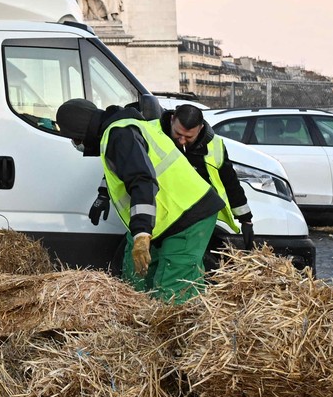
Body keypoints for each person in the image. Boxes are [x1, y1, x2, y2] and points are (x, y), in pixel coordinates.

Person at [57, 95, 223, 303]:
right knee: (134, 282)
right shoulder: (118, 129)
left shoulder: (120, 135)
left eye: (75, 139)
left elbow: (142, 181)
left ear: (82, 132)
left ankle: (174, 329)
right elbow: (124, 172)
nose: (76, 144)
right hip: (164, 217)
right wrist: (103, 195)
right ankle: (137, 327)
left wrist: (142, 234)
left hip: (188, 215)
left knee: (171, 293)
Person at [168, 103, 254, 257]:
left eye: (188, 137)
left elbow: (230, 182)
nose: (181, 141)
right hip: (161, 214)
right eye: (177, 134)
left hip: (195, 217)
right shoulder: (156, 135)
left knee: (185, 263)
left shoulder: (215, 146)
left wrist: (245, 219)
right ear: (172, 119)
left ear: (200, 128)